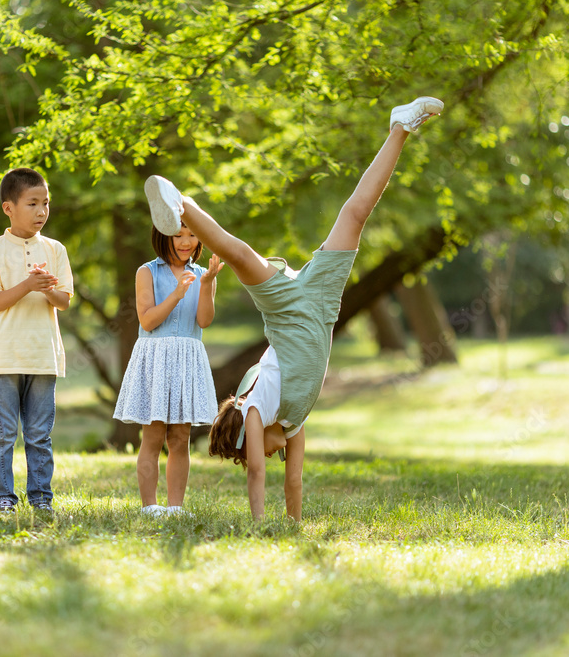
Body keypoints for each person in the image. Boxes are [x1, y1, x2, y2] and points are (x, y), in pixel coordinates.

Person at [144, 96, 444, 521]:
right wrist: (293, 526)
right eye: (258, 458)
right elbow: (295, 481)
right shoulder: (294, 421)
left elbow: (257, 479)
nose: (261, 459)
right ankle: (401, 127)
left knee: (241, 256)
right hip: (320, 306)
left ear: (247, 443)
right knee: (356, 214)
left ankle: (182, 206)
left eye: (252, 455)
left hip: (286, 310)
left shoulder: (254, 410)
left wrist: (260, 525)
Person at [113, 219, 224, 517]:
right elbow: (147, 321)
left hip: (187, 359)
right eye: (178, 235)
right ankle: (150, 506)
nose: (185, 241)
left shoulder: (202, 275)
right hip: (156, 359)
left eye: (192, 235)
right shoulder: (146, 272)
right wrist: (176, 293)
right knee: (152, 436)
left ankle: (176, 507)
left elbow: (204, 321)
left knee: (180, 437)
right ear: (164, 236)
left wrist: (208, 283)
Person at [0, 168, 73, 513]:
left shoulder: (55, 249)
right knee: (3, 435)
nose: (41, 211)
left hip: (43, 355)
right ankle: (3, 495)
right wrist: (27, 285)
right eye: (32, 203)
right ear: (9, 208)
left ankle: (41, 498)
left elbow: (64, 301)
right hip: (5, 356)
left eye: (45, 203)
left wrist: (48, 288)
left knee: (39, 435)